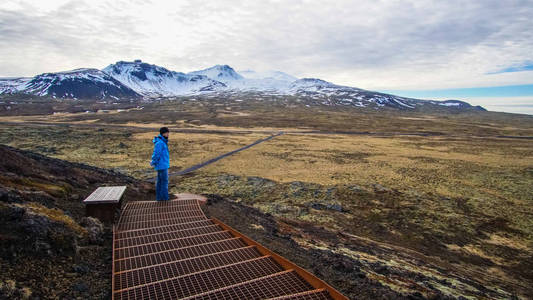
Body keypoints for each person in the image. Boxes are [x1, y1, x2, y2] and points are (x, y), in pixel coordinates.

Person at [150, 127, 170, 201]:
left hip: (162, 165)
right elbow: (156, 154)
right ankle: (165, 199)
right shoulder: (160, 143)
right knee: (164, 183)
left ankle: (159, 198)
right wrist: (153, 162)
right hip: (162, 166)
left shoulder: (162, 142)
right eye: (167, 133)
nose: (168, 134)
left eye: (168, 133)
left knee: (160, 182)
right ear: (163, 133)